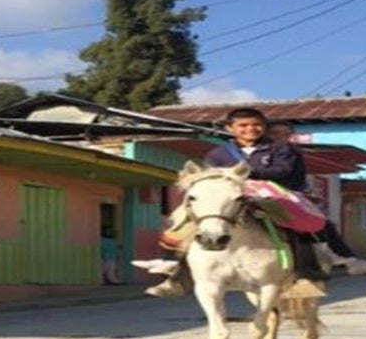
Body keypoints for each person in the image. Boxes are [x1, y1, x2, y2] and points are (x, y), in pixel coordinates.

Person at [139, 107, 332, 298]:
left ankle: (306, 273)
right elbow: (212, 174)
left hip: (268, 194)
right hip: (229, 196)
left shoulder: (280, 149)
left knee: (297, 225)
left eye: (256, 125)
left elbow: (283, 171)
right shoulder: (219, 153)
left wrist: (249, 173)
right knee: (183, 218)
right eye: (243, 125)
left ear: (264, 127)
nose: (250, 129)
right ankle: (172, 270)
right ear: (230, 128)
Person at [265, 121, 366, 277]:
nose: (280, 137)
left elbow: (288, 174)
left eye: (285, 134)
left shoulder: (291, 151)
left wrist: (296, 192)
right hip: (247, 190)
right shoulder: (254, 150)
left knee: (317, 222)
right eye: (275, 134)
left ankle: (337, 257)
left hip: (282, 193)